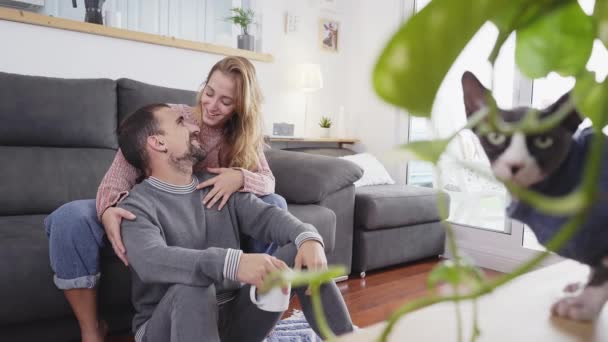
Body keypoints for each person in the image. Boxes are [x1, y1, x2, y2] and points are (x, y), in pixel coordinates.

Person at [44, 56, 287, 342]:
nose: (211, 105)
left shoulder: (241, 138)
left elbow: (267, 181)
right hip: (149, 205)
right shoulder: (171, 119)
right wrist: (108, 208)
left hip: (197, 208)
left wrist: (241, 177)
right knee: (70, 218)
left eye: (225, 101)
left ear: (241, 106)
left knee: (274, 203)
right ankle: (91, 329)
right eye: (209, 92)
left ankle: (248, 306)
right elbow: (115, 179)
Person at [117, 103, 353, 341]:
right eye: (180, 122)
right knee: (192, 286)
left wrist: (307, 236)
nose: (194, 126)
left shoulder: (216, 185)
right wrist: (232, 263)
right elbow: (152, 260)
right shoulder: (136, 206)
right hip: (169, 326)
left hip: (234, 319)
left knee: (300, 249)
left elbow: (267, 217)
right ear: (158, 143)